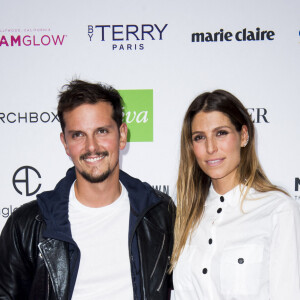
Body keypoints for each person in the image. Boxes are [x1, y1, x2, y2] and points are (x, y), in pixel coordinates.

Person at [0, 80, 175, 300]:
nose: (91, 146)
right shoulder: (25, 226)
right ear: (65, 143)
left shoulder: (160, 214)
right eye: (78, 135)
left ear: (122, 135)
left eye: (101, 131)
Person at [170, 89, 300, 300]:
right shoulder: (185, 216)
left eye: (221, 133)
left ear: (244, 136)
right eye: (199, 137)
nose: (210, 147)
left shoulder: (279, 210)